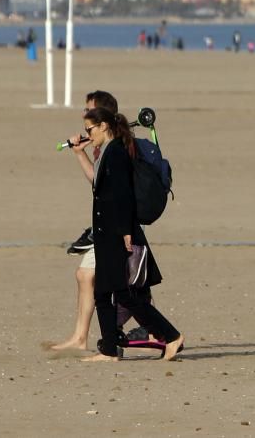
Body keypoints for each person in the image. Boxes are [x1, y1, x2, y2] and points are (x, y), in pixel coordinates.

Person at [75, 107, 183, 362]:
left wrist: (125, 233)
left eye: (90, 129)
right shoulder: (107, 152)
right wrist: (80, 152)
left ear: (103, 126)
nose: (88, 133)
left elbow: (122, 196)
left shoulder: (117, 153)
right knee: (103, 292)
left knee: (124, 294)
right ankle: (110, 350)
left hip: (118, 233)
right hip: (106, 232)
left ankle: (172, 336)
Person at [52, 90, 119, 351]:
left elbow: (100, 184)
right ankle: (81, 337)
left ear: (102, 120)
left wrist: (80, 153)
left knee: (89, 276)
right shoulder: (101, 146)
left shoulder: (113, 148)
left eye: (88, 111)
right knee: (118, 281)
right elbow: (98, 181)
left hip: (114, 223)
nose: (83, 116)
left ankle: (82, 338)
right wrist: (81, 153)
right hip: (105, 222)